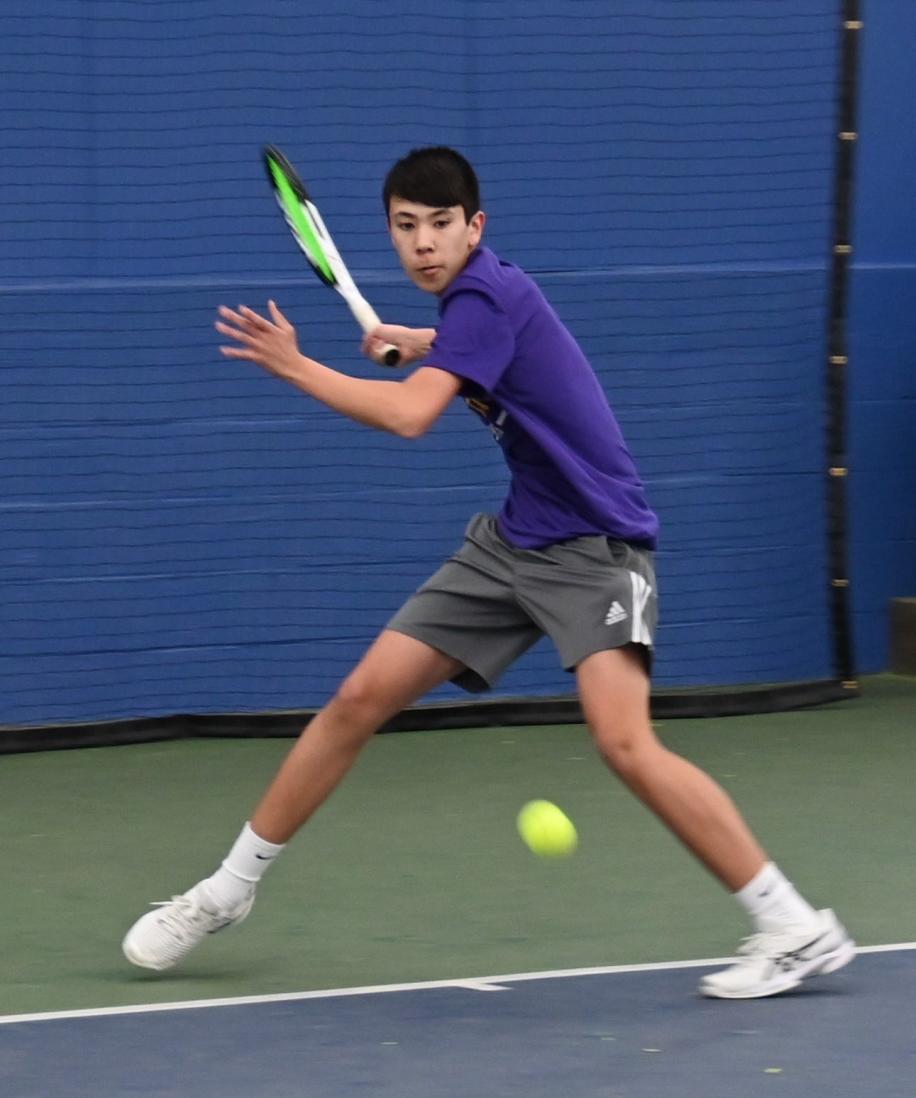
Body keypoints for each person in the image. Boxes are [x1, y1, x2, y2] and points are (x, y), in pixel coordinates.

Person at [122, 147, 854, 998]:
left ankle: (793, 925)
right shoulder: (473, 307)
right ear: (390, 232)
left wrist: (298, 366)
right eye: (406, 226)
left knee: (624, 742)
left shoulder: (487, 293)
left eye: (441, 225)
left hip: (595, 549)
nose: (424, 243)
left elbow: (409, 415)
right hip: (515, 543)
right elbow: (471, 354)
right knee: (360, 699)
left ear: (476, 228)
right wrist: (418, 339)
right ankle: (226, 892)